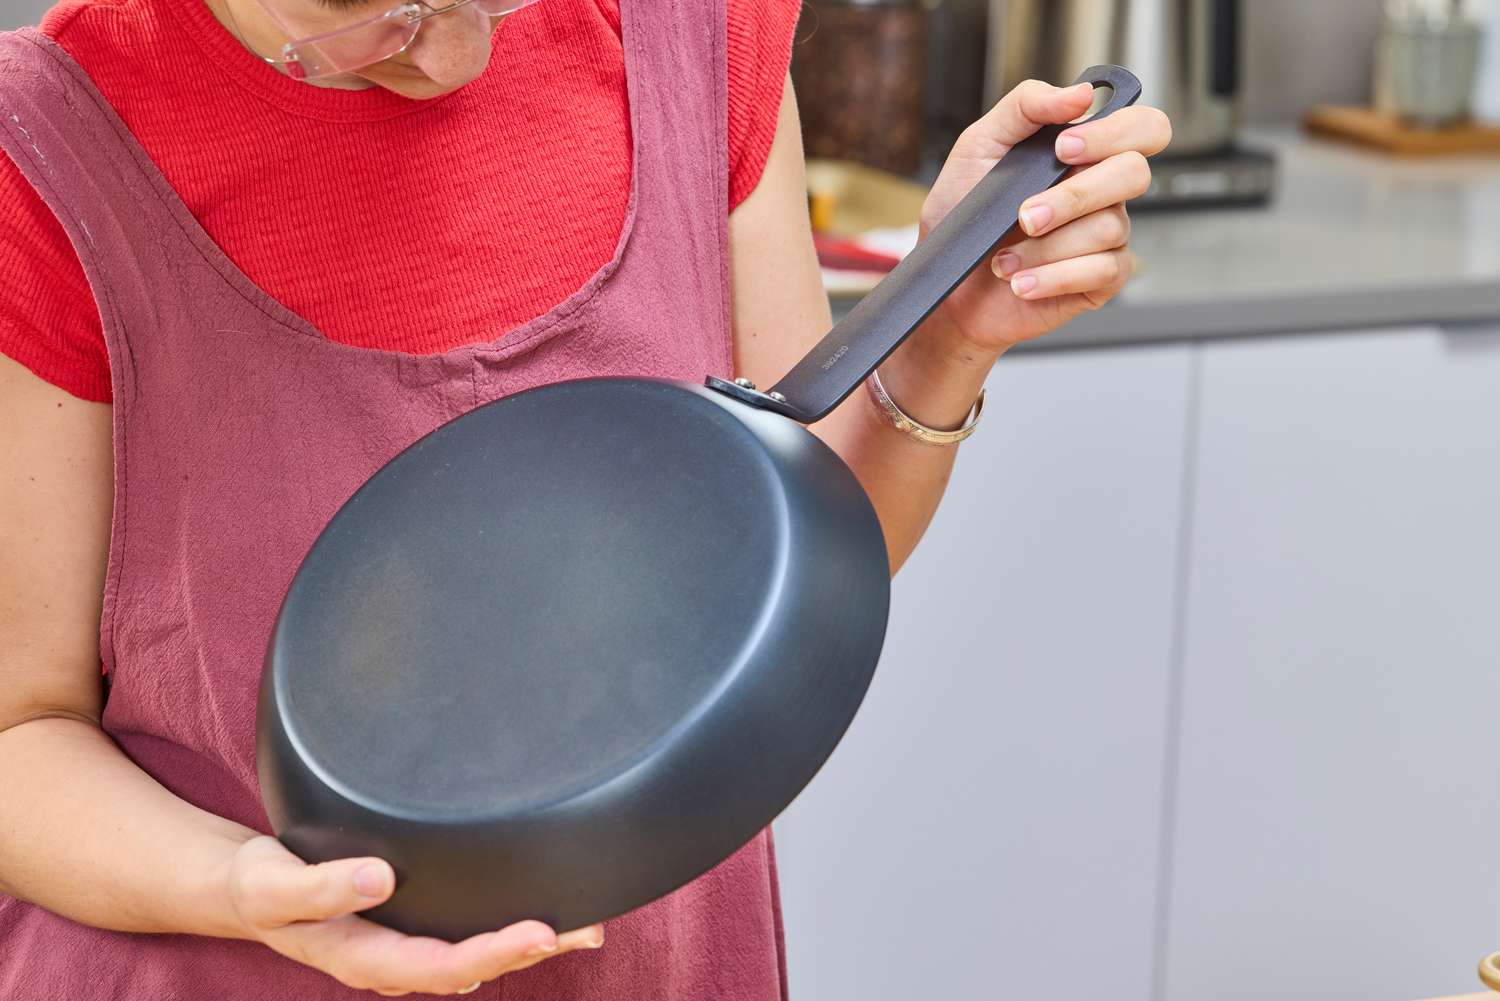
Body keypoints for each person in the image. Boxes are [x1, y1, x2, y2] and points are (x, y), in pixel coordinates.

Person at [0, 0, 1172, 996]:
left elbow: (780, 576)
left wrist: (938, 347)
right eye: (379, 17)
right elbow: (18, 730)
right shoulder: (49, 150)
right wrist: (245, 889)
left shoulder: (687, 28)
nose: (452, 58)